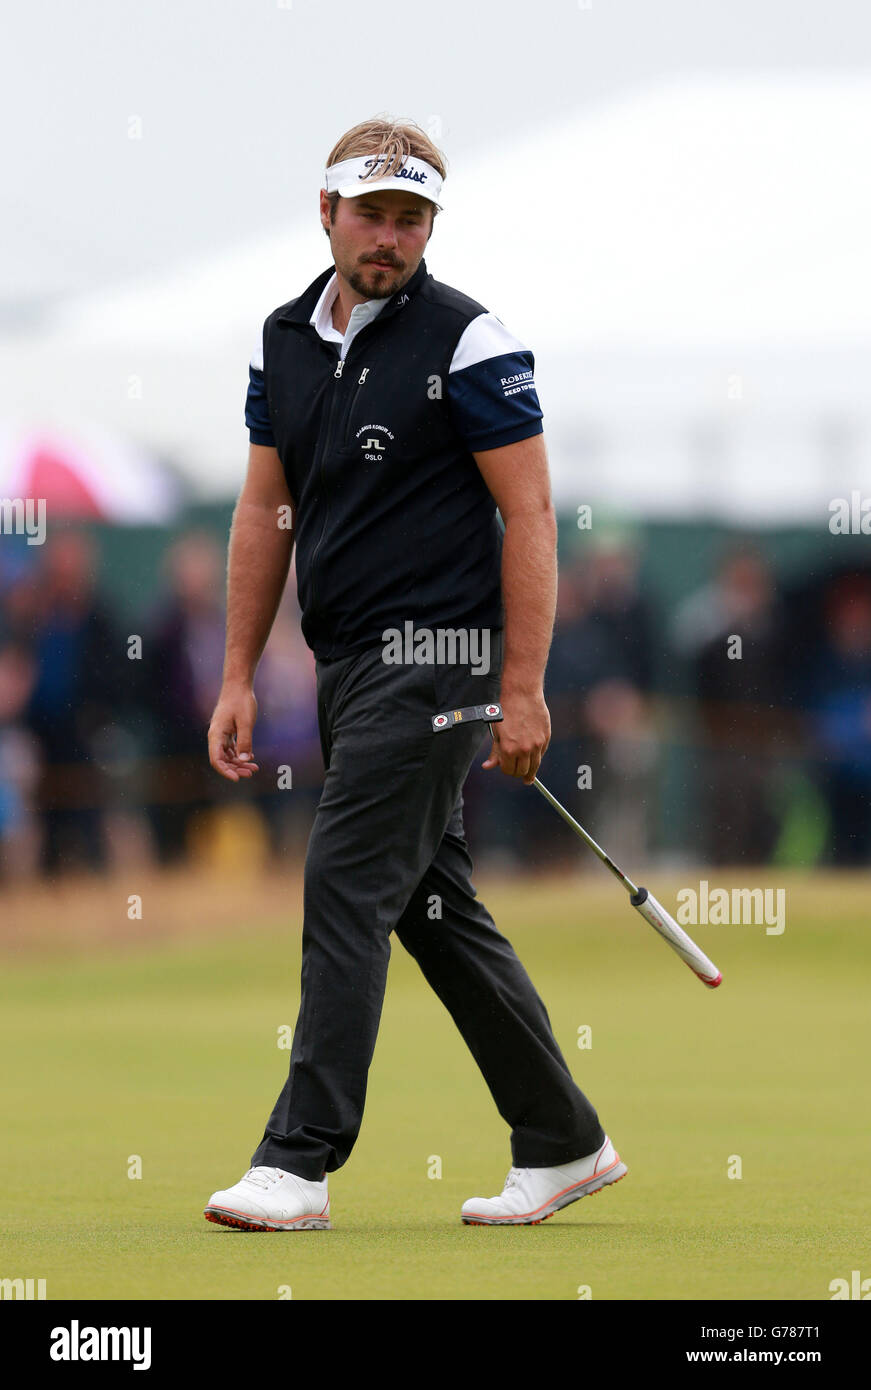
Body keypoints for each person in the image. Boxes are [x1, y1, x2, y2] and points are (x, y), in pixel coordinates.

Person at [203, 117, 626, 1230]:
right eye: (372, 213)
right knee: (431, 903)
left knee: (345, 879)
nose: (389, 236)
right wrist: (240, 670)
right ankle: (563, 1138)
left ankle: (297, 1161)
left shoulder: (468, 340)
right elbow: (265, 507)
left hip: (438, 658)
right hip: (343, 664)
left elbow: (528, 515)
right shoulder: (282, 339)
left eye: (411, 217)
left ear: (430, 225)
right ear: (328, 211)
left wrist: (523, 684)